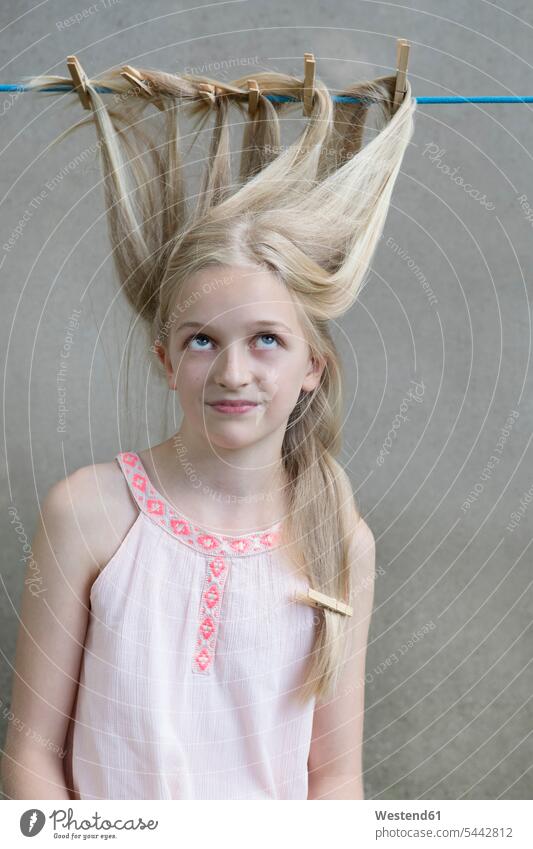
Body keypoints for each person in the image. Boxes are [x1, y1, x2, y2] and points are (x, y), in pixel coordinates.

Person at [1, 62, 416, 800]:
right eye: (202, 341)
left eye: (265, 340)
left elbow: (334, 776)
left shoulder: (338, 539)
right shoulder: (89, 512)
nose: (232, 373)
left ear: (310, 365)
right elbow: (30, 758)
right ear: (166, 359)